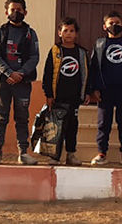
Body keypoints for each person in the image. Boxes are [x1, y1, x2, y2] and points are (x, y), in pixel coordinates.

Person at [0, 0, 40, 165]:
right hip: (2, 82)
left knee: (22, 118)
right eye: (12, 10)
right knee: (0, 117)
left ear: (25, 12)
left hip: (22, 83)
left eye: (19, 10)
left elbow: (34, 57)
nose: (16, 13)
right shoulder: (0, 32)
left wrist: (21, 74)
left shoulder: (30, 34)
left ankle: (23, 153)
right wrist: (9, 73)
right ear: (6, 12)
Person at [89, 11, 122, 166]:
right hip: (105, 91)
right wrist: (94, 88)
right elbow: (94, 67)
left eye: (117, 23)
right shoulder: (99, 44)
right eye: (111, 23)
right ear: (104, 26)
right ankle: (101, 153)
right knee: (103, 123)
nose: (114, 26)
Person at [41, 17, 92, 166]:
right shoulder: (55, 51)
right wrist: (49, 95)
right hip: (58, 98)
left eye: (72, 31)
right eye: (65, 31)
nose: (68, 34)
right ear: (59, 33)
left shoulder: (81, 52)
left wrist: (86, 92)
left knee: (72, 127)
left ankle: (71, 155)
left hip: (74, 98)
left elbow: (86, 73)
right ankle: (54, 156)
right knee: (56, 127)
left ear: (76, 34)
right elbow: (47, 74)